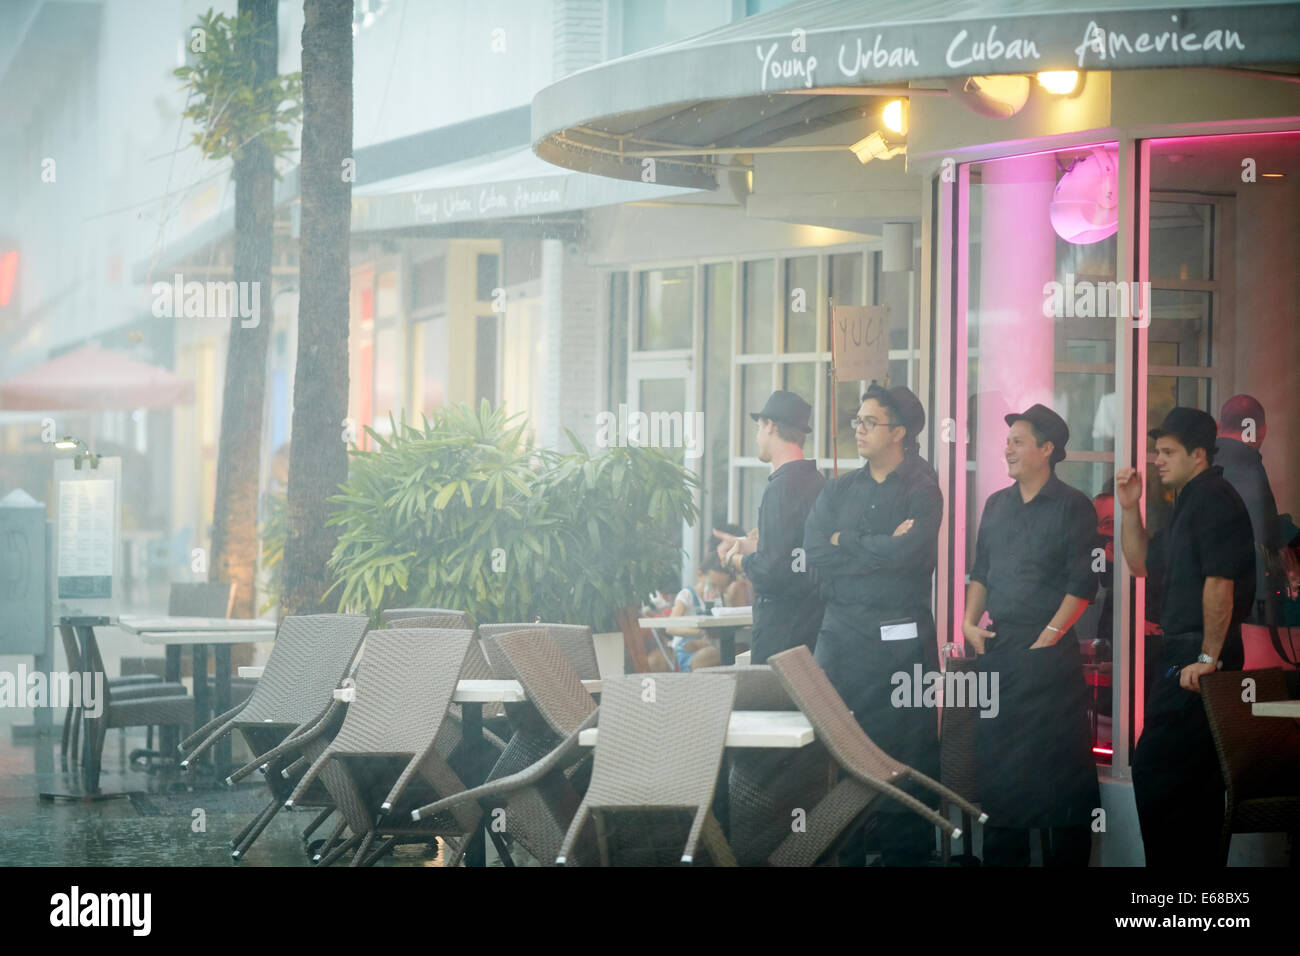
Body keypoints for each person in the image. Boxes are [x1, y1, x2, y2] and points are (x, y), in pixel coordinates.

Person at [803, 383, 942, 866]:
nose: (857, 429)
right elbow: (817, 551)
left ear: (899, 432)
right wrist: (871, 543)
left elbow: (909, 557)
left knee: (904, 754)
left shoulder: (922, 488)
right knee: (835, 750)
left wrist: (848, 543)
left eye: (869, 422)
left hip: (900, 644)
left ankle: (906, 857)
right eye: (856, 421)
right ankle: (847, 852)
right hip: (839, 639)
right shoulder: (839, 488)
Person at [1117, 407, 1255, 867]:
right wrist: (1129, 506)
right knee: (1180, 781)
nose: (1157, 460)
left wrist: (1208, 657)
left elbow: (1221, 582)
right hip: (1185, 655)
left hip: (1198, 659)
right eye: (1156, 450)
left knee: (1162, 770)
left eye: (1168, 451)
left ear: (1199, 454)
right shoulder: (1186, 503)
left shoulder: (1213, 497)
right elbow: (1139, 564)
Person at [963, 403, 1099, 867]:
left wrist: (1048, 637)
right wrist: (968, 622)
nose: (1008, 449)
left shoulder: (1073, 505)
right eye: (1008, 442)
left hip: (1050, 662)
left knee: (1061, 779)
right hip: (1000, 653)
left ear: (1047, 449)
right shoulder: (996, 504)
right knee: (1001, 780)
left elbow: (1082, 584)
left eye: (1018, 441)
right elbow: (980, 570)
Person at [713, 390, 825, 664]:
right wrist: (750, 544)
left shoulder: (779, 489)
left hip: (781, 631)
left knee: (772, 706)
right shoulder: (817, 482)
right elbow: (794, 550)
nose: (756, 437)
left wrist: (735, 559)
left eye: (758, 428)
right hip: (815, 625)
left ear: (771, 426)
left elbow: (772, 570)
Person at [1217, 394, 1283, 625]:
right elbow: (1259, 543)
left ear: (1218, 426)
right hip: (1243, 608)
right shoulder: (1249, 468)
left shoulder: (1205, 462)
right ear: (1262, 431)